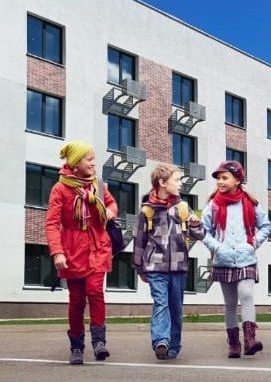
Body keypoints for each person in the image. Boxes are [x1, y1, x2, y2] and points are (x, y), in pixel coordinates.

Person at [45, 141, 118, 365]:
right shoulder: (60, 189)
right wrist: (57, 252)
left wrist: (109, 211)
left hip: (98, 246)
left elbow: (113, 205)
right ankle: (76, 347)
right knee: (76, 300)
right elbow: (52, 223)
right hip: (72, 250)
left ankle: (99, 342)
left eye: (94, 159)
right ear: (76, 163)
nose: (93, 163)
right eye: (89, 159)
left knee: (95, 291)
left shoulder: (98, 184)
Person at [133, 163, 203, 360]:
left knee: (176, 308)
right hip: (155, 266)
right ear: (162, 183)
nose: (180, 184)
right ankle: (161, 341)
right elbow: (139, 241)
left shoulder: (183, 208)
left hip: (179, 266)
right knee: (161, 303)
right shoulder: (147, 210)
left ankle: (173, 345)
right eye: (177, 180)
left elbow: (200, 234)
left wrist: (196, 224)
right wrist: (139, 268)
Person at [201, 161, 271, 358]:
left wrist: (253, 243)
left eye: (225, 178)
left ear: (237, 180)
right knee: (230, 302)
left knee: (246, 294)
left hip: (246, 257)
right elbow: (203, 232)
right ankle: (234, 344)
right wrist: (217, 247)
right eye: (218, 178)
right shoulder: (213, 205)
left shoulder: (250, 203)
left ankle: (250, 340)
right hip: (223, 259)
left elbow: (266, 226)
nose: (220, 182)